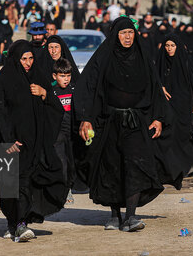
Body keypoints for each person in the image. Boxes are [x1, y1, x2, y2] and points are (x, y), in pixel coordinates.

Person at [74, 17, 181, 232]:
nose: (127, 37)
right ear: (115, 35)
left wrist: (158, 117)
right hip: (108, 122)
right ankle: (115, 215)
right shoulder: (104, 57)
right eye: (123, 33)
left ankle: (131, 217)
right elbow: (88, 85)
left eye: (130, 33)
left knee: (134, 166)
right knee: (112, 167)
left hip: (136, 123)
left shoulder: (142, 57)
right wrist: (86, 118)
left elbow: (154, 87)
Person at [0, 40, 68, 241]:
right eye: (24, 58)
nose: (28, 62)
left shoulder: (38, 76)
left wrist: (44, 94)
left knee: (25, 184)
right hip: (10, 144)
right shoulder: (4, 79)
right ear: (15, 58)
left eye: (31, 58)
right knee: (9, 187)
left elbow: (56, 108)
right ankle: (12, 223)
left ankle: (22, 224)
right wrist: (8, 140)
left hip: (33, 143)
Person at [156, 34, 193, 177]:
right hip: (168, 105)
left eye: (172, 46)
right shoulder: (162, 61)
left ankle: (187, 166)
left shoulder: (186, 60)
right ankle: (171, 167)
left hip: (185, 105)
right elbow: (154, 79)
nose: (169, 49)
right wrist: (160, 87)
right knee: (170, 135)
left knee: (185, 136)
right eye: (167, 46)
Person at [51, 58, 76, 203]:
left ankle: (71, 184)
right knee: (61, 161)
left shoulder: (74, 90)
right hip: (57, 133)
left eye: (68, 76)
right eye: (62, 76)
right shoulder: (51, 91)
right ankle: (65, 191)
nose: (65, 79)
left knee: (72, 161)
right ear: (55, 76)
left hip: (72, 132)